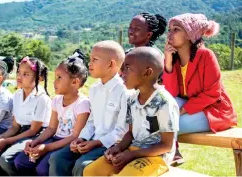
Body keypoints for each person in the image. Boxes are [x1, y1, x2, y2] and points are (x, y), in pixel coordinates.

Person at [84, 47, 179, 176]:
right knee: (91, 171)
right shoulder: (132, 99)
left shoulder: (164, 103)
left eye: (127, 68)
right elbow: (130, 133)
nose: (122, 73)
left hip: (156, 156)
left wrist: (132, 155)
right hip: (133, 150)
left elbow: (166, 146)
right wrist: (118, 148)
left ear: (147, 72)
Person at [163, 13, 237, 165]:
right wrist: (168, 64)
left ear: (190, 34)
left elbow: (213, 94)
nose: (170, 33)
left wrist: (182, 111)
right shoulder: (174, 59)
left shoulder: (206, 55)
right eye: (169, 30)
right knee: (164, 107)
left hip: (214, 110)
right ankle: (172, 153)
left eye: (176, 29)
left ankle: (167, 156)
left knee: (168, 124)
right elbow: (172, 93)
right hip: (190, 106)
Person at [49, 40, 129, 176]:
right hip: (91, 140)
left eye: (94, 60)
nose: (89, 63)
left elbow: (122, 131)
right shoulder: (94, 89)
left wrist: (96, 143)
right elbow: (91, 121)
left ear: (111, 64)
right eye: (90, 59)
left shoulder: (124, 92)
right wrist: (82, 138)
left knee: (82, 166)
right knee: (57, 158)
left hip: (110, 145)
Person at [14, 49, 91, 176]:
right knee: (21, 161)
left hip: (68, 144)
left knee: (43, 169)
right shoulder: (56, 100)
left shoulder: (82, 104)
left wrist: (46, 148)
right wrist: (37, 142)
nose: (54, 82)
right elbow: (51, 128)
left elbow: (74, 136)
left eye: (59, 78)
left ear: (75, 82)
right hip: (54, 139)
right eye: (55, 77)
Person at [0, 57, 51, 176]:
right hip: (20, 133)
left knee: (7, 159)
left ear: (40, 77)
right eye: (19, 72)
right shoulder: (17, 95)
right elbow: (15, 126)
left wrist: (6, 141)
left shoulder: (42, 98)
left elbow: (33, 130)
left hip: (36, 136)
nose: (19, 76)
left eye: (26, 74)